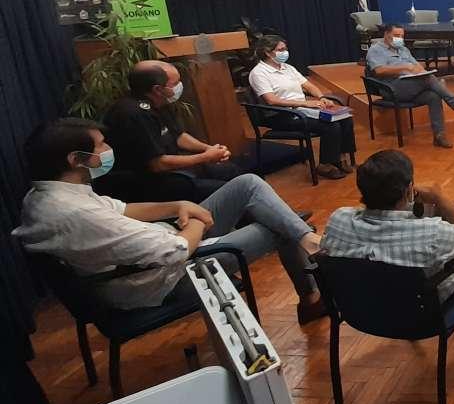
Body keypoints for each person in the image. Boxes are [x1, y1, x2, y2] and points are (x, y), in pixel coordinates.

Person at [16, 118, 326, 323]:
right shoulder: (73, 213)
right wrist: (197, 220)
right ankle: (311, 298)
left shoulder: (51, 193)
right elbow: (176, 250)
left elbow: (122, 209)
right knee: (274, 227)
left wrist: (180, 205)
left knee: (247, 184)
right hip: (162, 277)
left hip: (161, 246)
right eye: (101, 145)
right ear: (75, 159)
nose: (109, 150)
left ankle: (307, 239)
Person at [321, 150, 454, 320]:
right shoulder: (432, 233)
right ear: (409, 189)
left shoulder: (338, 219)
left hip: (362, 310)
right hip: (420, 314)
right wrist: (440, 198)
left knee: (428, 211)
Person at [101, 60, 238, 202]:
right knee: (230, 191)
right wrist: (205, 157)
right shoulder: (133, 114)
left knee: (230, 170)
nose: (180, 86)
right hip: (143, 184)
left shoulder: (160, 102)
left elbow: (178, 136)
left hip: (169, 171)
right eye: (175, 83)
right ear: (157, 89)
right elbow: (157, 164)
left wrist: (209, 149)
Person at [248, 35, 356, 180]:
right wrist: (305, 103)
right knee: (331, 126)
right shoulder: (258, 73)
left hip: (301, 110)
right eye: (281, 50)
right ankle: (325, 165)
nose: (285, 52)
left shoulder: (288, 68)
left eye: (285, 49)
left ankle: (339, 158)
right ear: (268, 52)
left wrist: (321, 97)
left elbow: (308, 85)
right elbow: (271, 100)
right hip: (280, 114)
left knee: (345, 119)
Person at [366, 24, 454, 149]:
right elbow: (379, 70)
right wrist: (404, 67)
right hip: (391, 88)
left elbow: (418, 67)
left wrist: (422, 72)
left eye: (402, 36)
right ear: (386, 34)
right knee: (429, 80)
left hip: (411, 85)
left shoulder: (403, 49)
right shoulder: (376, 50)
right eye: (396, 35)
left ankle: (439, 136)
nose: (399, 39)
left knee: (433, 95)